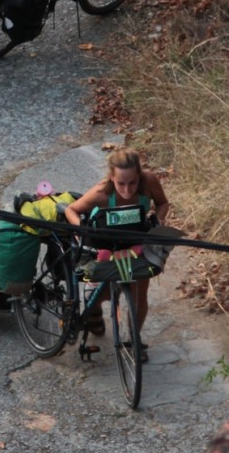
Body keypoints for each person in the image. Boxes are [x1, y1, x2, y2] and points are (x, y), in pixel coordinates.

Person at [65, 148, 171, 356]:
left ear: (139, 176)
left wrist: (158, 220)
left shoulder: (149, 181)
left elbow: (162, 203)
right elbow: (71, 210)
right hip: (106, 244)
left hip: (136, 241)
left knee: (139, 296)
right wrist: (82, 229)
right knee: (102, 293)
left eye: (132, 183)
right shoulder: (101, 193)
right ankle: (94, 311)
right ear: (112, 178)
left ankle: (134, 339)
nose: (127, 190)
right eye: (121, 183)